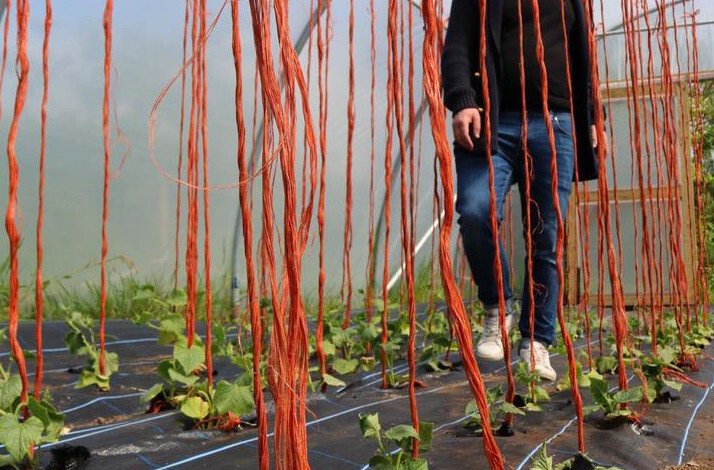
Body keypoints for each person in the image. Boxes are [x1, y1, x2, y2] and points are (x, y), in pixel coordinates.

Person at [441, 0, 606, 381]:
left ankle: (536, 341)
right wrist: (463, 100)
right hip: (493, 119)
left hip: (557, 120)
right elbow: (457, 44)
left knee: (545, 236)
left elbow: (582, 52)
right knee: (475, 208)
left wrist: (594, 115)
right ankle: (498, 306)